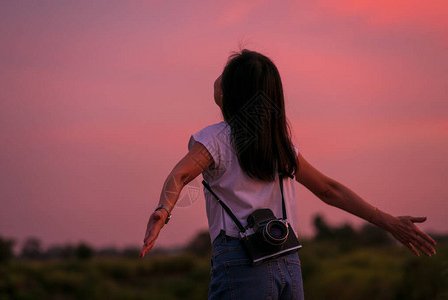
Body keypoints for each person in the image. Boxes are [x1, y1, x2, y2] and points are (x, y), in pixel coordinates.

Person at [140, 49, 437, 299]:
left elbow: (179, 176)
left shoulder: (215, 139)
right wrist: (387, 222)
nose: (216, 80)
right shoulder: (281, 145)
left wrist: (162, 210)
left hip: (242, 262)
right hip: (287, 263)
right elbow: (328, 190)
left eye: (224, 75)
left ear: (232, 91)